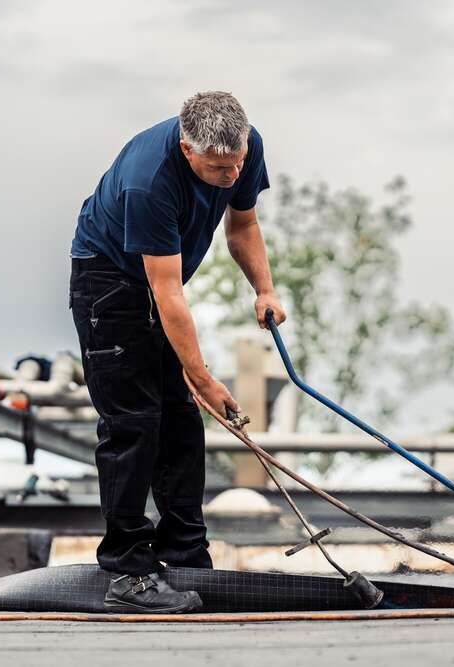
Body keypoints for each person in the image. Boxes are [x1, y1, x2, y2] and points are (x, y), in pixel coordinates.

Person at [68, 91, 286, 613]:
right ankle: (128, 573)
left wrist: (265, 289)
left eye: (236, 164)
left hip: (159, 286)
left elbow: (244, 224)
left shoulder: (243, 147)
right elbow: (165, 293)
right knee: (133, 423)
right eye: (217, 169)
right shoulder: (150, 180)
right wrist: (203, 375)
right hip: (109, 282)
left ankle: (185, 556)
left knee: (182, 423)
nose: (231, 175)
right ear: (188, 151)